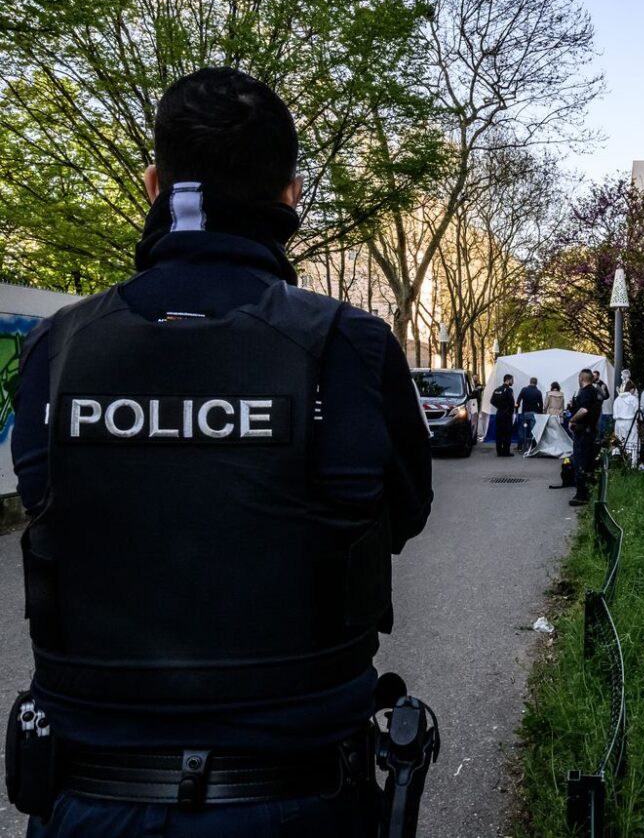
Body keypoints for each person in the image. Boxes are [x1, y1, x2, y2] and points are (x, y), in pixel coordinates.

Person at [8, 68, 433, 837]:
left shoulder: (56, 349)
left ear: (151, 186)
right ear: (291, 197)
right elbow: (398, 519)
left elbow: (52, 512)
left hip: (88, 803)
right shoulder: (350, 348)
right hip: (301, 800)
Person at [567, 369, 603, 507]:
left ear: (582, 378)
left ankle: (581, 495)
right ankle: (587, 491)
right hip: (590, 431)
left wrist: (572, 420)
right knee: (588, 462)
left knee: (580, 461)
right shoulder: (594, 391)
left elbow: (584, 410)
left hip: (583, 432)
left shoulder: (586, 391)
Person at [612, 381, 640, 467]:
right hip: (629, 422)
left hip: (618, 423)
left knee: (618, 442)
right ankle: (632, 464)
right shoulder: (633, 399)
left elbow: (614, 411)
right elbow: (637, 413)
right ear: (631, 389)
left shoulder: (617, 399)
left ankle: (617, 462)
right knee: (631, 442)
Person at [515, 376, 543, 453]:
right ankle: (532, 447)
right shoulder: (538, 392)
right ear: (536, 383)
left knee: (522, 430)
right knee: (533, 430)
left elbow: (518, 400)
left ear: (530, 382)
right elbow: (541, 404)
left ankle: (520, 446)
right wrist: (540, 414)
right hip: (534, 413)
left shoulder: (524, 390)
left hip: (525, 413)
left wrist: (516, 410)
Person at [491, 374, 516, 456]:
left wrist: (500, 407)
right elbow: (512, 402)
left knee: (499, 433)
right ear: (508, 380)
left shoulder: (497, 390)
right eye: (512, 380)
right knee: (507, 433)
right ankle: (506, 452)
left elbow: (492, 401)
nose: (512, 382)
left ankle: (499, 451)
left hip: (499, 414)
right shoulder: (509, 390)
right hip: (506, 415)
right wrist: (508, 410)